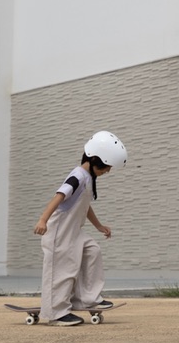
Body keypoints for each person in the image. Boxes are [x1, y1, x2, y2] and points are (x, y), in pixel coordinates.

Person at [33, 131, 127, 326]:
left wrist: (99, 225)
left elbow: (85, 206)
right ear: (94, 159)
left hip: (74, 231)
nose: (107, 171)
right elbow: (58, 196)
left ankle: (87, 298)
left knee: (92, 251)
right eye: (106, 167)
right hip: (60, 231)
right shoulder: (77, 176)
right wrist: (42, 220)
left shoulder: (88, 178)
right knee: (62, 270)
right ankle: (56, 313)